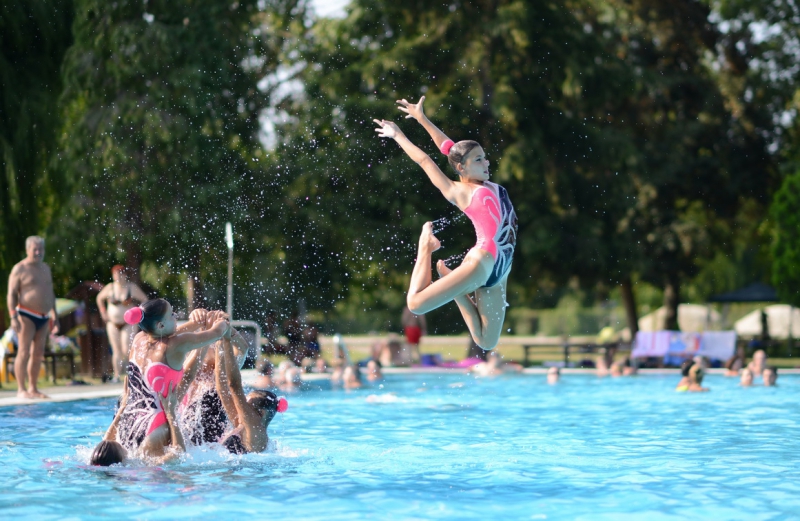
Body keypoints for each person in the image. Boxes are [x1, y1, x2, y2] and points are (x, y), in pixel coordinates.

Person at [374, 95, 517, 350]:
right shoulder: (459, 192)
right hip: (482, 263)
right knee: (415, 304)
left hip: (501, 270)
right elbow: (425, 161)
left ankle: (456, 287)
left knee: (486, 342)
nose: (486, 163)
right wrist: (398, 136)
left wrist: (422, 118)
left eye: (484, 157)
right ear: (461, 169)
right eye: (478, 160)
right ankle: (425, 246)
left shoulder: (491, 186)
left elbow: (448, 148)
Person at [114, 299, 229, 455]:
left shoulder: (139, 339)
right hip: (156, 423)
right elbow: (216, 334)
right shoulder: (177, 344)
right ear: (161, 325)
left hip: (130, 421)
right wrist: (221, 321)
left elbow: (171, 332)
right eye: (172, 314)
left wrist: (198, 322)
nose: (176, 316)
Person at [214, 326, 282, 453]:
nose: (242, 404)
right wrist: (220, 344)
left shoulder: (256, 432)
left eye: (247, 404)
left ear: (260, 413)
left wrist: (227, 341)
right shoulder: (242, 424)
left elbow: (234, 386)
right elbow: (222, 387)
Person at [6, 236, 59, 399]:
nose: (38, 252)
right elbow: (11, 294)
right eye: (35, 249)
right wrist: (13, 316)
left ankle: (33, 388)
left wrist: (55, 316)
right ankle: (21, 389)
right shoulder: (20, 268)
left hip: (44, 317)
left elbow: (50, 293)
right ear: (28, 250)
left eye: (40, 249)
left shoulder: (46, 268)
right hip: (26, 315)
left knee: (38, 354)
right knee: (23, 351)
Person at [96, 265, 148, 383]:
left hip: (128, 323)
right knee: (116, 350)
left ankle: (132, 374)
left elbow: (144, 299)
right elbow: (99, 298)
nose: (117, 276)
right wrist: (103, 311)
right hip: (113, 323)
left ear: (125, 275)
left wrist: (139, 312)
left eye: (119, 274)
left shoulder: (131, 288)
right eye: (114, 274)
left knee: (127, 349)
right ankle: (117, 375)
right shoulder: (110, 287)